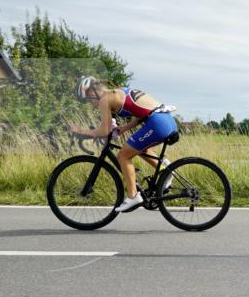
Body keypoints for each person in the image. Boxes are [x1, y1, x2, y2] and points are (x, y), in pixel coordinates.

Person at [70, 76, 177, 213]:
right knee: (136, 147)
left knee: (123, 156)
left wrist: (81, 131)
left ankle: (133, 196)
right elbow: (145, 111)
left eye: (88, 99)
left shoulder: (104, 100)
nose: (90, 103)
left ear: (92, 93)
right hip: (165, 120)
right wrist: (125, 127)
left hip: (158, 123)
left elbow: (104, 130)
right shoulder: (118, 91)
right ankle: (165, 167)